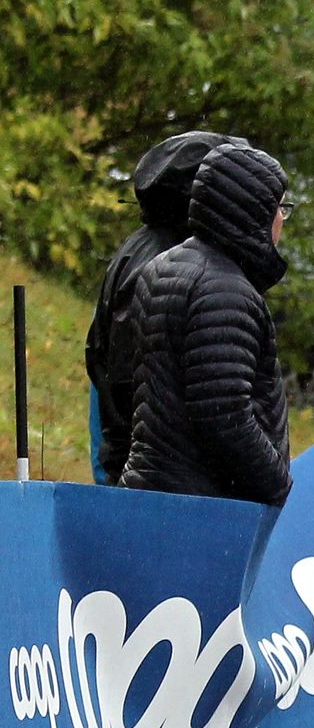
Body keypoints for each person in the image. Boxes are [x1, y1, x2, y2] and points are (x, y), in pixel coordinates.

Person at [119, 142, 294, 505]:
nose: (282, 221)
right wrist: (276, 482)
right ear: (255, 211)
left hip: (153, 488)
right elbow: (224, 415)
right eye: (281, 209)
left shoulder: (163, 266)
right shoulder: (225, 290)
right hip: (202, 507)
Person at [85, 130, 246, 486]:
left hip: (131, 467)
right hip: (152, 482)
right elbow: (133, 386)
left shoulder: (144, 246)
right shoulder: (169, 266)